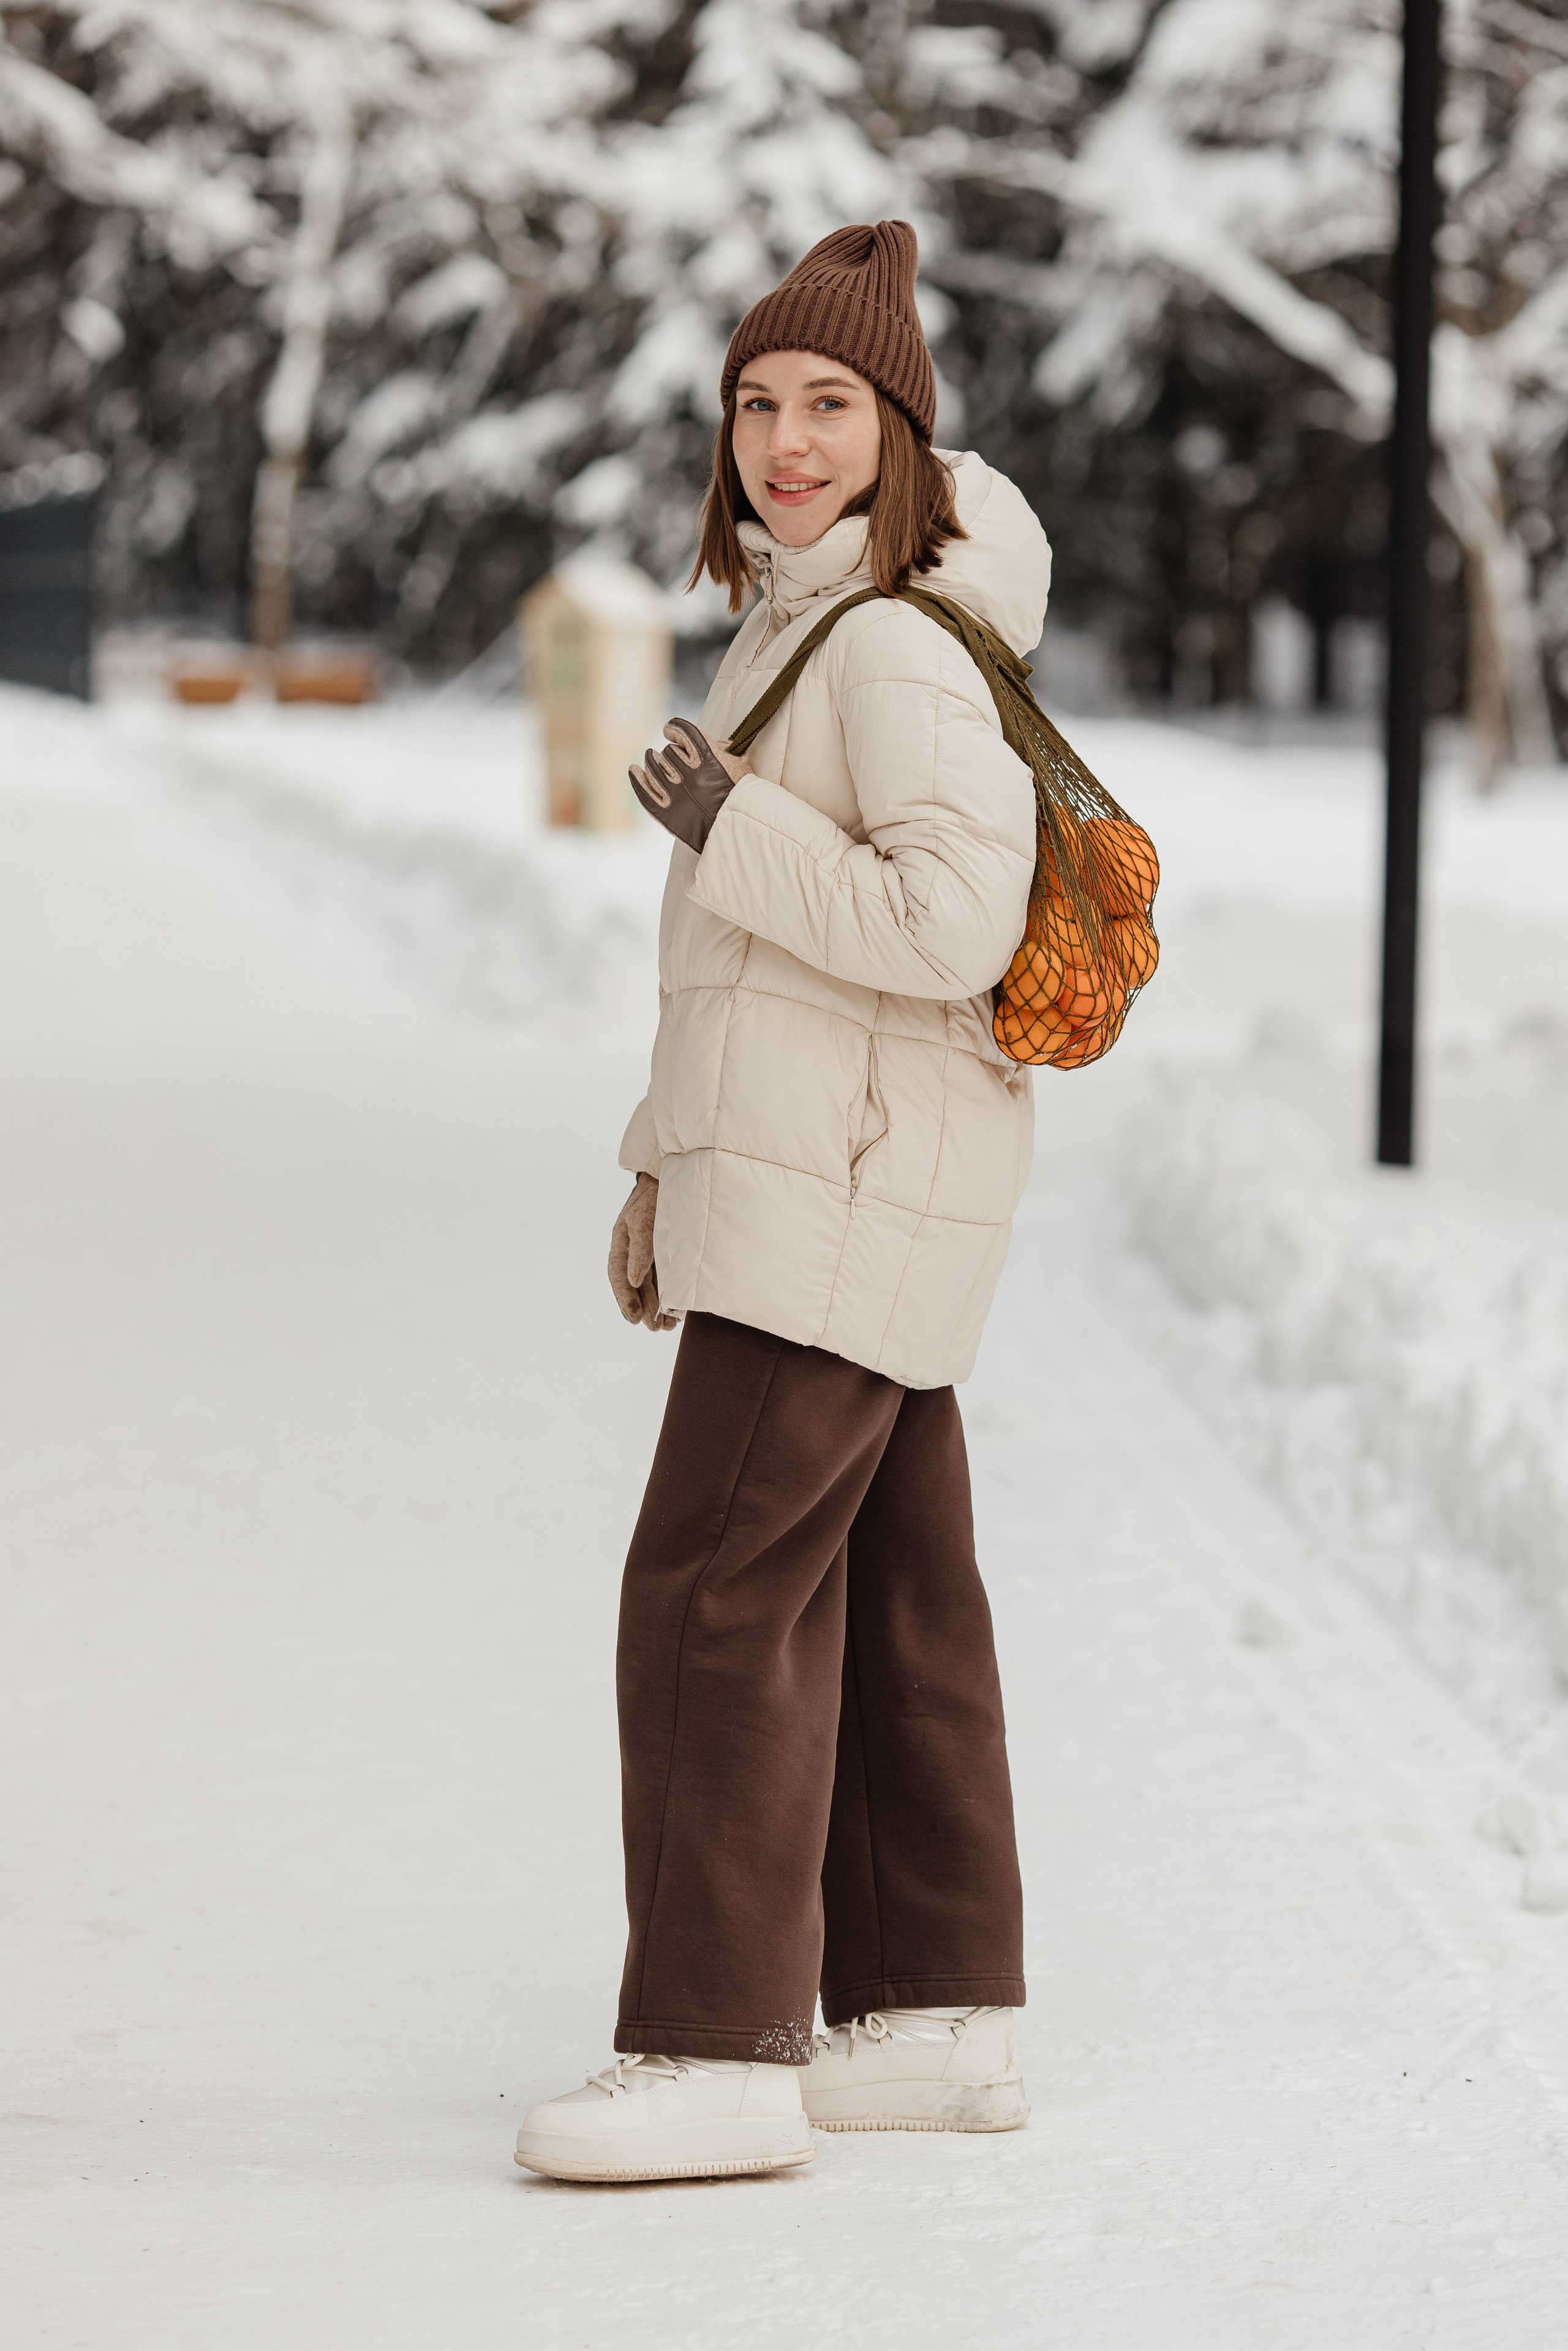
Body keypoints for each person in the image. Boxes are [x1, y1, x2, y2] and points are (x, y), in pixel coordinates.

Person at [513, 220, 1052, 2184]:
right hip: (825, 1176)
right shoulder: (804, 623)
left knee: (711, 1594)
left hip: (846, 1189)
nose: (788, 441)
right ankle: (931, 2012)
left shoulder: (899, 643)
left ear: (901, 437)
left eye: (831, 404)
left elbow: (940, 920)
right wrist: (667, 1160)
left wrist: (737, 821)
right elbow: (745, 969)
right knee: (897, 1593)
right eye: (759, 402)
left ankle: (711, 2045)